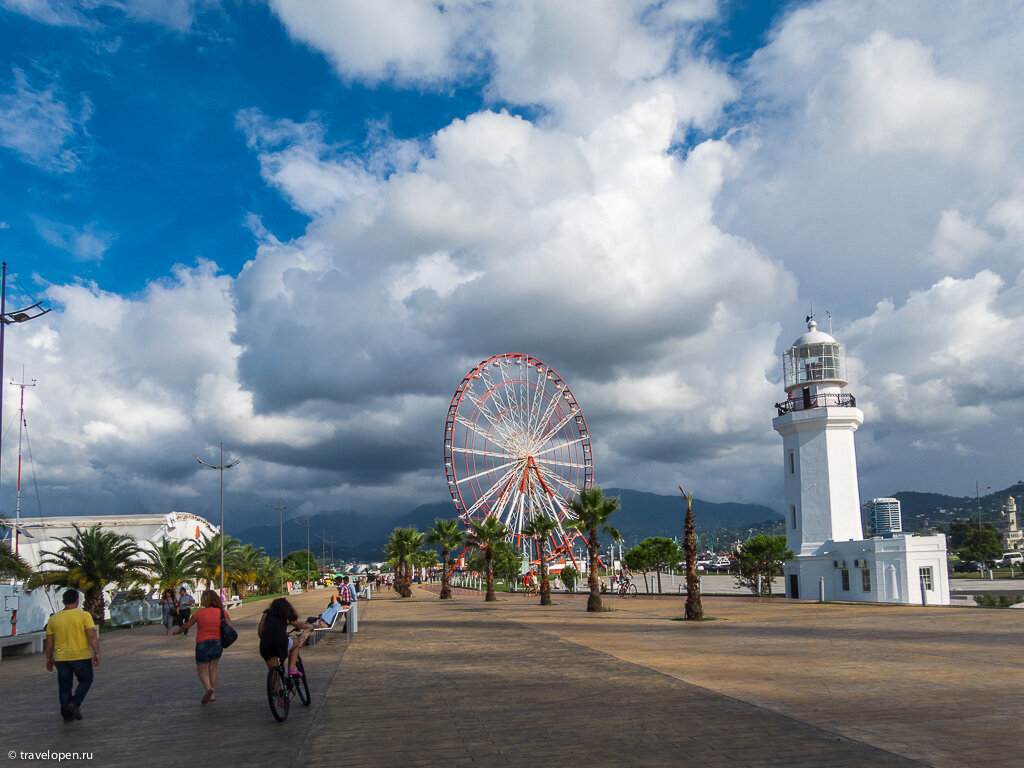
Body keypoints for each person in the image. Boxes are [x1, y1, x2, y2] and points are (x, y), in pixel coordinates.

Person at [44, 589, 100, 723]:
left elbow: (49, 641)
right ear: (77, 601)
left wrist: (49, 658)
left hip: (61, 659)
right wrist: (96, 653)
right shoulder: (84, 615)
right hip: (81, 656)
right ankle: (75, 703)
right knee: (86, 680)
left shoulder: (54, 618)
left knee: (64, 686)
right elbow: (91, 635)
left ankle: (67, 716)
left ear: (63, 602)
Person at [173, 589, 233, 704]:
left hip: (202, 643)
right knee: (213, 669)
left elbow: (186, 626)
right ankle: (212, 693)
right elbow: (230, 625)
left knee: (202, 670)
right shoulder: (222, 612)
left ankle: (208, 688)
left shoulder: (199, 613)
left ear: (206, 600)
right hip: (217, 642)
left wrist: (178, 631)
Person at [258, 597, 312, 677]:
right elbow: (300, 625)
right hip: (280, 642)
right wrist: (309, 626)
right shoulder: (286, 615)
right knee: (296, 643)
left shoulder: (266, 614)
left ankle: (275, 688)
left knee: (274, 674)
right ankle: (291, 669)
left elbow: (260, 633)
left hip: (265, 645)